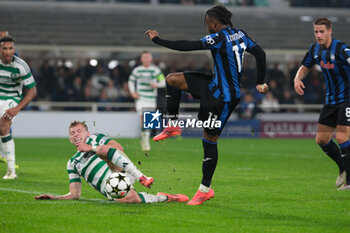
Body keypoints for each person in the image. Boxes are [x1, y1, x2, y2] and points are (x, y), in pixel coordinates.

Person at [146, 5, 268, 205]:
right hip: (213, 84)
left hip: (224, 98)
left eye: (206, 23)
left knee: (209, 139)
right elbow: (261, 54)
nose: (206, 27)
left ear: (213, 22)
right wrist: (260, 81)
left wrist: (157, 40)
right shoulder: (240, 34)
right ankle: (172, 124)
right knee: (172, 79)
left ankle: (205, 190)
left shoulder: (218, 37)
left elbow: (187, 45)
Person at [35, 121, 189, 203]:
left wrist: (91, 147)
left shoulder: (96, 138)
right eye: (72, 133)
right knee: (133, 199)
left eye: (79, 131)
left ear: (87, 133)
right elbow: (75, 194)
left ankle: (142, 177)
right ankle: (165, 197)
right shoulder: (72, 163)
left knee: (102, 149)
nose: (75, 135)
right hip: (112, 190)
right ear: (70, 139)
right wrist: (55, 198)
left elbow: (118, 148)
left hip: (121, 170)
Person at [294, 17, 350, 190]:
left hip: (347, 98)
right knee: (322, 139)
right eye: (316, 32)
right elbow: (305, 67)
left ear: (330, 31)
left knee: (341, 136)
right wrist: (297, 78)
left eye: (322, 32)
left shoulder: (342, 49)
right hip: (331, 100)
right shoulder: (314, 49)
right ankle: (343, 168)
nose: (318, 35)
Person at [0, 36, 37, 179]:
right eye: (5, 48)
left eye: (11, 48)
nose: (8, 51)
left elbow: (33, 91)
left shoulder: (21, 66)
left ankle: (11, 171)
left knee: (4, 126)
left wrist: (18, 108)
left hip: (12, 99)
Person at [128, 51, 165, 152]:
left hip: (151, 99)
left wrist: (156, 85)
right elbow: (131, 81)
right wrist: (133, 92)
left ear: (151, 59)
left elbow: (163, 82)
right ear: (141, 59)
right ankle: (146, 142)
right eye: (144, 57)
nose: (146, 59)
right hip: (140, 99)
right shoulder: (137, 70)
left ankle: (145, 140)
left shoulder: (155, 70)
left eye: (148, 57)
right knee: (142, 117)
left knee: (148, 122)